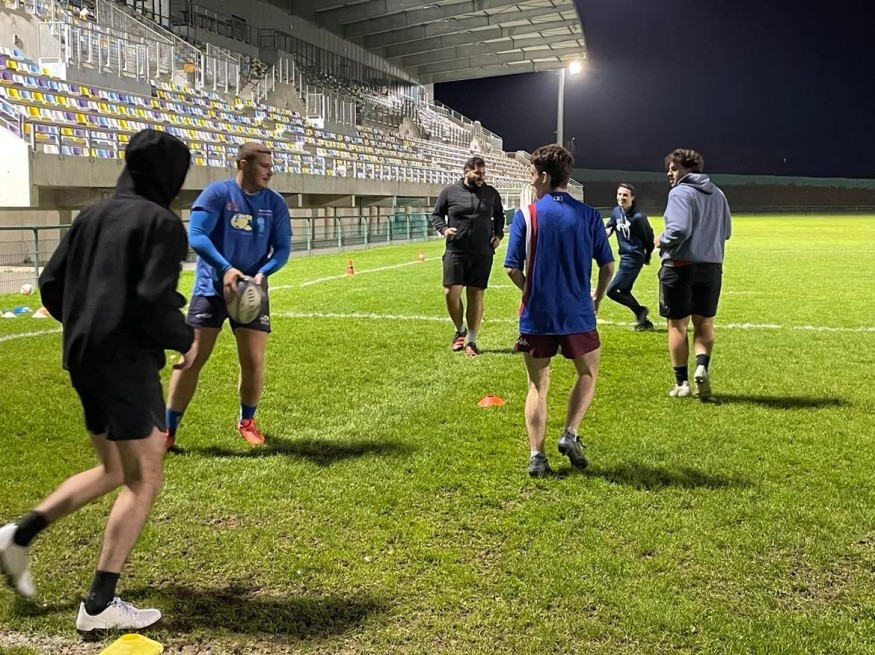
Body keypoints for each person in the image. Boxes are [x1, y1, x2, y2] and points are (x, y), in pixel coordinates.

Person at [0, 129, 194, 633]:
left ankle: (18, 535)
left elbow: (50, 283)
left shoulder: (91, 215)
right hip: (125, 363)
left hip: (83, 356)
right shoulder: (161, 222)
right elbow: (153, 299)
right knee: (144, 478)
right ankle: (99, 604)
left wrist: (88, 323)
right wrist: (184, 338)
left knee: (112, 468)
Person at [164, 142, 292, 449]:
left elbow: (283, 249)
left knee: (253, 361)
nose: (270, 172)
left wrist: (263, 273)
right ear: (244, 165)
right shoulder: (217, 194)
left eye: (271, 166)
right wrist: (225, 268)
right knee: (192, 357)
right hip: (211, 288)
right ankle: (168, 430)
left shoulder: (275, 204)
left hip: (251, 292)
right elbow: (197, 236)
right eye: (264, 166)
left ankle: (247, 421)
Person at [504, 144, 614, 477]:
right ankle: (570, 433)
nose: (530, 179)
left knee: (537, 386)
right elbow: (608, 266)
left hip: (537, 315)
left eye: (532, 173)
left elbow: (511, 268)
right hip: (577, 312)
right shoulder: (590, 215)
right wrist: (597, 298)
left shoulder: (527, 215)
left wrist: (530, 290)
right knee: (587, 373)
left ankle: (537, 457)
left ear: (544, 176)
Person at [656, 148, 732, 400]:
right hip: (711, 267)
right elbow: (727, 232)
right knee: (705, 322)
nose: (670, 173)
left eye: (674, 168)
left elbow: (679, 229)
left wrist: (661, 239)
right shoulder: (718, 194)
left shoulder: (680, 192)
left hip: (680, 266)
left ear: (688, 169)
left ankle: (682, 383)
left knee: (677, 325)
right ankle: (701, 366)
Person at [430, 155, 505, 356]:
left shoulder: (491, 193)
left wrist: (498, 235)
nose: (482, 177)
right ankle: (460, 330)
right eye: (477, 173)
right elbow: (436, 215)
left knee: (476, 295)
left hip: (482, 252)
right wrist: (444, 229)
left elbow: (500, 215)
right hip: (456, 250)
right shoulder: (449, 192)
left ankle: (471, 340)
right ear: (466, 172)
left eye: (484, 173)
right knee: (450, 292)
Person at [605, 183, 655, 330]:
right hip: (624, 257)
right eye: (619, 194)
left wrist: (647, 255)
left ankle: (640, 311)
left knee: (611, 291)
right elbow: (611, 224)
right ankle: (644, 321)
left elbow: (649, 238)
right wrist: (608, 230)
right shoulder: (616, 211)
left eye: (625, 195)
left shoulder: (639, 217)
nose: (621, 197)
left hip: (634, 257)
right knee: (624, 291)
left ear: (632, 197)